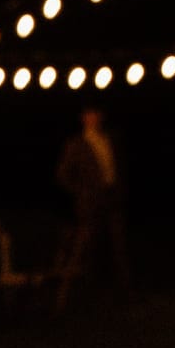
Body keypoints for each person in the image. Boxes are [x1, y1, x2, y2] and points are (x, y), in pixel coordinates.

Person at [54, 106, 130, 298]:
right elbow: (63, 174)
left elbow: (119, 166)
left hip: (111, 197)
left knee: (118, 242)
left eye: (96, 114)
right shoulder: (77, 144)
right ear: (83, 119)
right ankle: (90, 289)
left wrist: (119, 188)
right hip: (90, 201)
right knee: (90, 245)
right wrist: (82, 192)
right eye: (89, 115)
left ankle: (123, 288)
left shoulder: (110, 139)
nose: (93, 118)